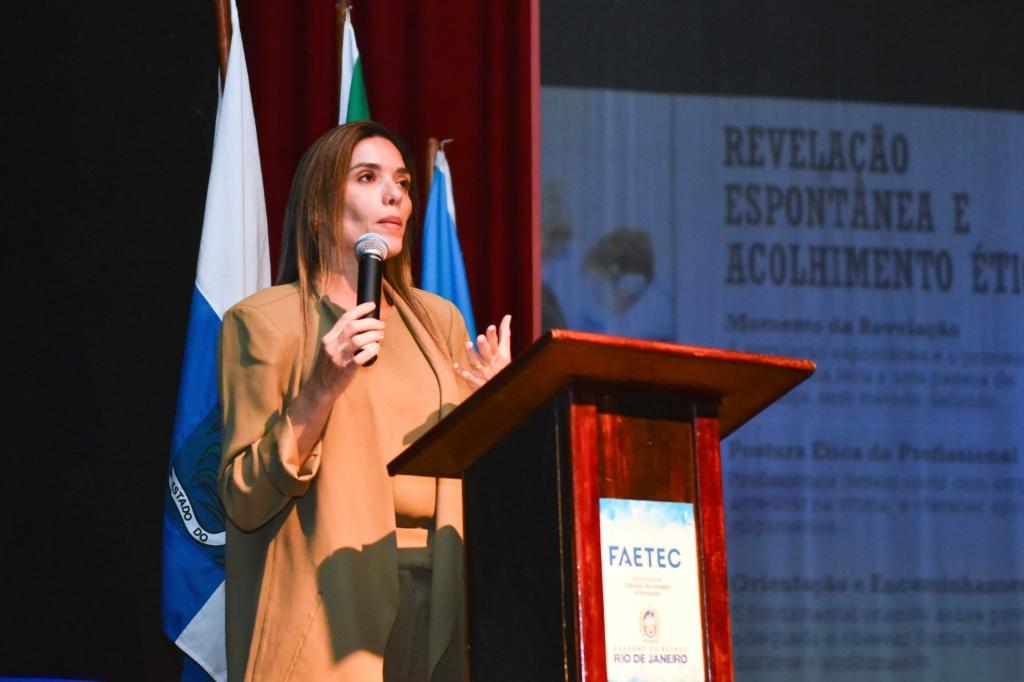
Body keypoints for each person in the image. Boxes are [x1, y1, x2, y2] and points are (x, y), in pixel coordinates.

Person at [217, 120, 512, 681]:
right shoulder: (263, 323)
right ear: (319, 209)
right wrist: (319, 389)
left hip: (439, 602)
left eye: (401, 181)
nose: (394, 194)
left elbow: (472, 475)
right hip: (330, 611)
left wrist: (495, 408)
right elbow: (243, 499)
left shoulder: (440, 321)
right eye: (368, 177)